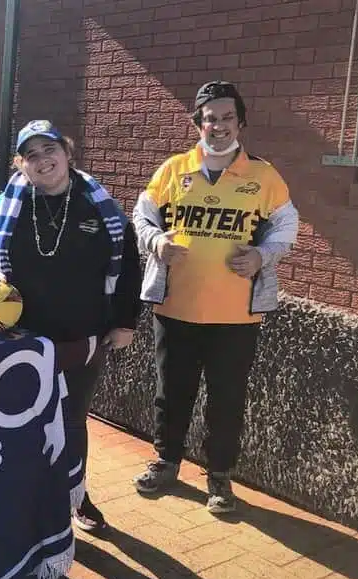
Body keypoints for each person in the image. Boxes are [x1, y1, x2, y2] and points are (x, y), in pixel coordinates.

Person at [130, 81, 299, 513]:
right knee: (172, 392)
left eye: (226, 117)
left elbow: (286, 227)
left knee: (226, 398)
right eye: (210, 117)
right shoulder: (173, 169)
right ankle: (166, 462)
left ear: (240, 122)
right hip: (176, 308)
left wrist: (263, 254)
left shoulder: (264, 175)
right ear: (198, 123)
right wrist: (155, 243)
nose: (218, 125)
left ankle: (220, 478)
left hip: (236, 315)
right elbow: (142, 214)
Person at [0, 119, 142, 533]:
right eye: (32, 155)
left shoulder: (100, 207)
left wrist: (125, 322)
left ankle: (75, 495)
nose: (43, 160)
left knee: (72, 419)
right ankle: (21, 498)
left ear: (67, 151)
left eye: (50, 150)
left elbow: (129, 264)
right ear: (21, 165)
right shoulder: (5, 207)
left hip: (81, 336)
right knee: (17, 419)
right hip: (19, 338)